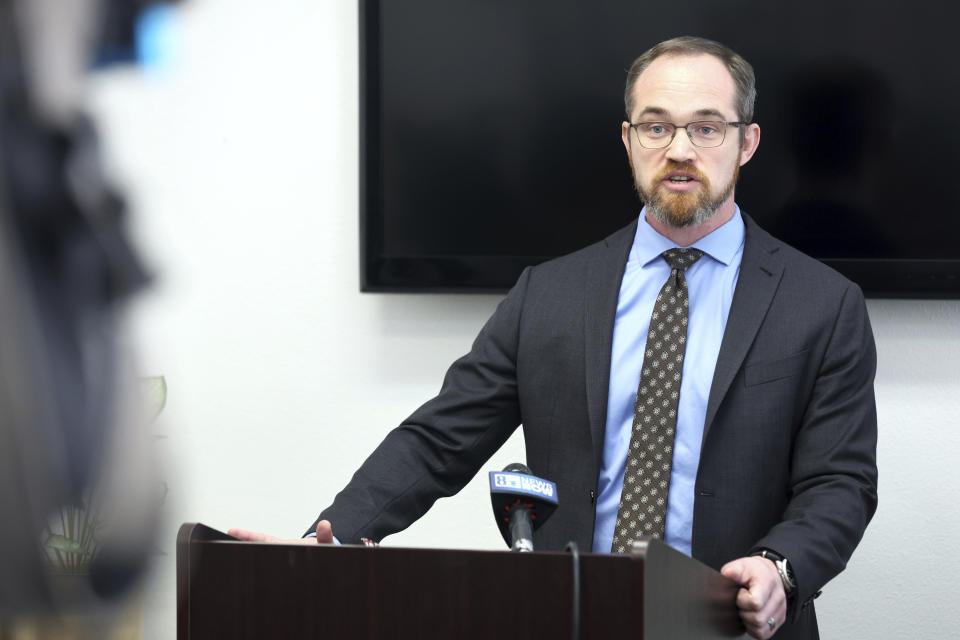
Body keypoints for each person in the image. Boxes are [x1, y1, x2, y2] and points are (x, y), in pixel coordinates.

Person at [231, 36, 878, 640]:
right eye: (656, 125)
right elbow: (437, 441)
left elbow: (840, 482)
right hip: (573, 620)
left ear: (746, 142)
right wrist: (330, 545)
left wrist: (780, 568)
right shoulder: (549, 294)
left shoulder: (821, 305)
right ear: (629, 140)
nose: (680, 149)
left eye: (706, 126)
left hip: (733, 625)